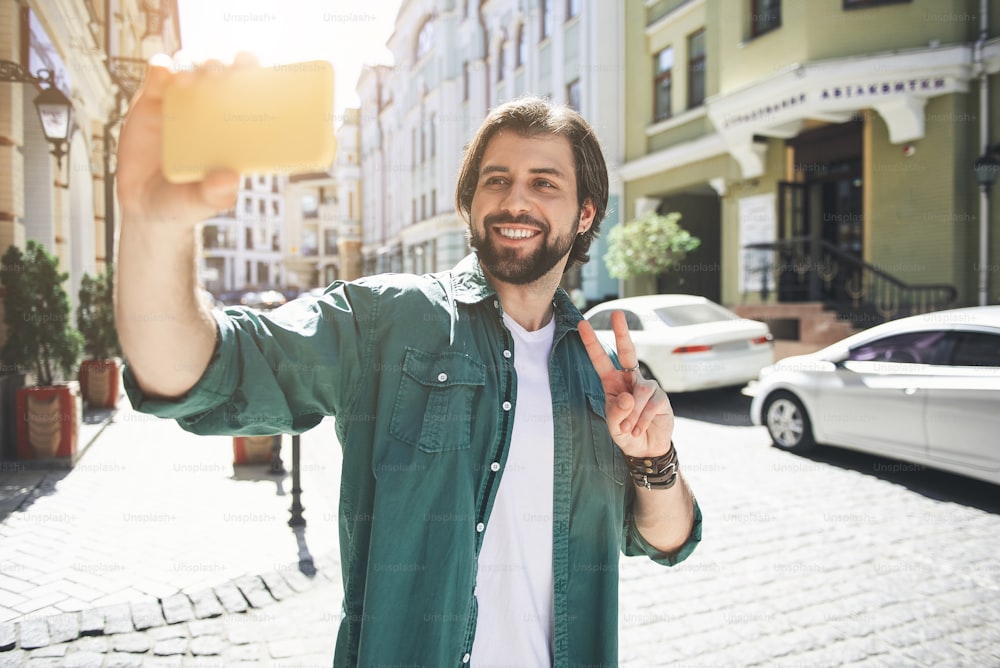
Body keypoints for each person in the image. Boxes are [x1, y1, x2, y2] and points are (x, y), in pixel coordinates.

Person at [115, 54, 701, 667]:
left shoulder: (601, 373)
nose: (515, 200)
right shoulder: (385, 320)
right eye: (496, 179)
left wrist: (654, 457)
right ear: (470, 201)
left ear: (584, 213)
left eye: (545, 182)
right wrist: (156, 228)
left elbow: (668, 538)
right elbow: (206, 371)